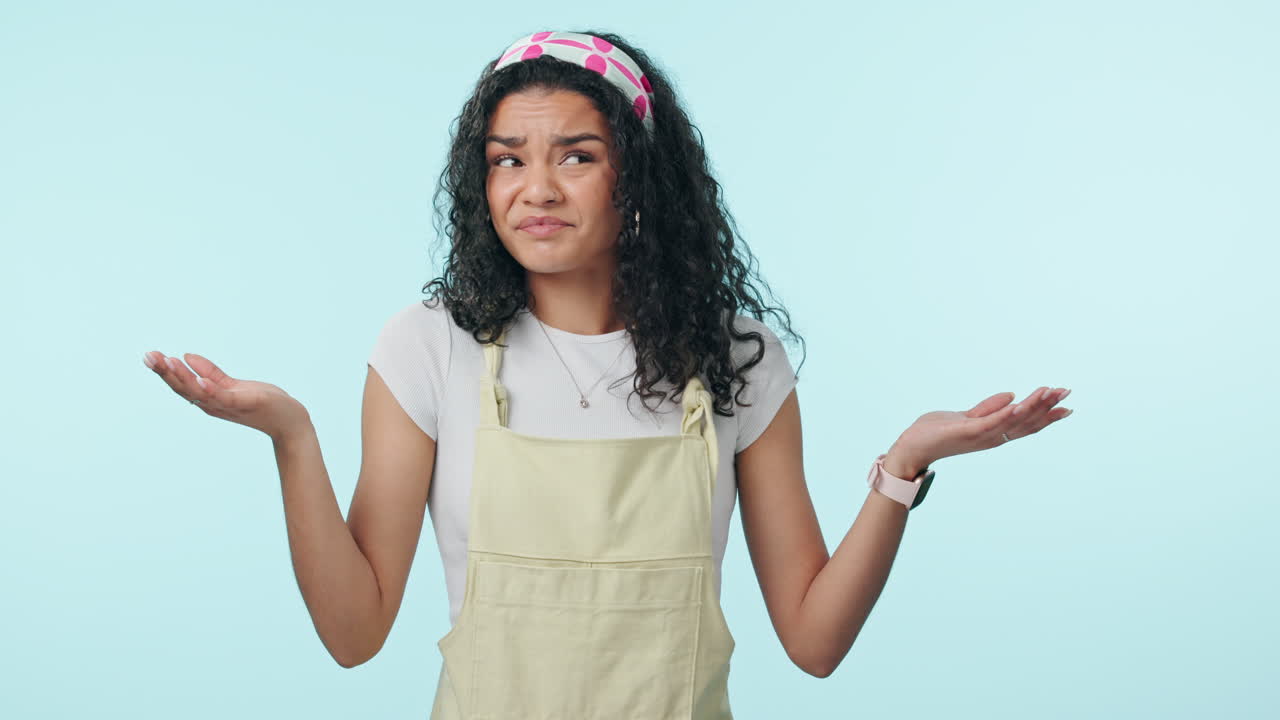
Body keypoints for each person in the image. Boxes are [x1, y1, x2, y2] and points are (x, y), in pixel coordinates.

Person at [142, 28, 1072, 718]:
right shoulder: (427, 348)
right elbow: (354, 637)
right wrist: (291, 437)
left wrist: (904, 463)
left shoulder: (738, 362)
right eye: (507, 160)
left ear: (640, 178)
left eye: (576, 157)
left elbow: (814, 641)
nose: (534, 189)